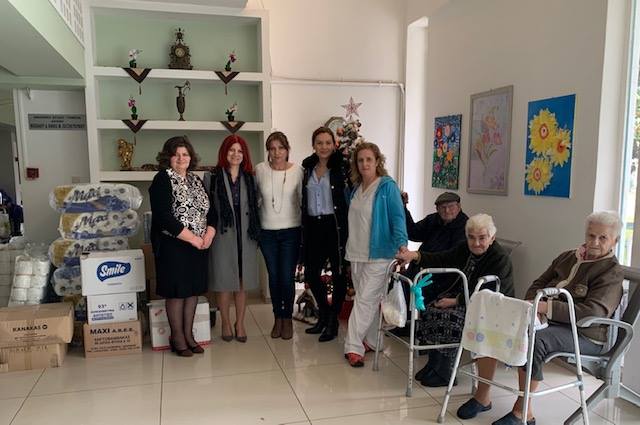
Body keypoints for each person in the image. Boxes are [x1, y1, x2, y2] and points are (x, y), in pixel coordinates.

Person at [455, 211, 624, 425]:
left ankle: (523, 412)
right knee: (494, 322)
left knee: (533, 338)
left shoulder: (611, 272)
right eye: (591, 235)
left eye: (603, 238)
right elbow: (537, 284)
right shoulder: (568, 257)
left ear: (615, 241)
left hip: (584, 333)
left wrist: (546, 307)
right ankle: (482, 396)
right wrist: (534, 304)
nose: (594, 242)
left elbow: (594, 312)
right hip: (545, 319)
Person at [395, 213, 513, 386]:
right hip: (466, 299)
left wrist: (456, 301)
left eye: (482, 238)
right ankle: (434, 364)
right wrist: (415, 255)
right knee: (431, 309)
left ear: (492, 238)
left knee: (449, 317)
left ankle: (445, 371)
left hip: (488, 308)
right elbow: (443, 258)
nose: (476, 243)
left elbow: (489, 293)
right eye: (471, 237)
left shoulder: (499, 258)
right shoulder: (465, 248)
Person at [149, 136, 215, 357]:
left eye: (185, 154)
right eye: (176, 155)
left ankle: (189, 335)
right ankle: (177, 338)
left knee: (192, 291)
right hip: (173, 246)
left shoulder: (196, 180)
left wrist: (209, 233)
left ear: (191, 157)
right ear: (168, 157)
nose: (181, 158)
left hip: (198, 247)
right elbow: (163, 217)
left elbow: (211, 211)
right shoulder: (162, 179)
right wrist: (193, 238)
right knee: (177, 292)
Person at [343, 142, 407, 367]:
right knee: (367, 300)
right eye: (360, 160)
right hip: (356, 252)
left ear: (377, 161)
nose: (364, 164)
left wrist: (402, 246)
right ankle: (373, 340)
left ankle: (353, 346)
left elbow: (398, 217)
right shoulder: (355, 189)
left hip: (380, 254)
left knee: (364, 300)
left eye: (369, 159)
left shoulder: (387, 187)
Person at [206, 135, 260, 343]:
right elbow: (208, 209)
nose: (236, 154)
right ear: (224, 152)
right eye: (231, 150)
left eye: (240, 151)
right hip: (222, 235)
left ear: (244, 154)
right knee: (224, 281)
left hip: (246, 235)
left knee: (242, 281)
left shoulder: (251, 178)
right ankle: (226, 323)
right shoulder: (212, 177)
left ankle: (240, 323)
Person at [301, 127, 350, 342]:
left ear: (334, 144)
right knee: (312, 274)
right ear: (313, 145)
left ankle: (332, 321)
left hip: (335, 226)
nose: (324, 147)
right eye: (319, 143)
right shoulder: (307, 168)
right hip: (313, 226)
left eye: (328, 142)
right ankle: (324, 313)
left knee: (339, 275)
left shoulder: (342, 167)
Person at [255, 131, 304, 340]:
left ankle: (287, 318)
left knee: (286, 277)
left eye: (281, 148)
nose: (276, 153)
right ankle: (278, 317)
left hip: (291, 231)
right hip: (267, 233)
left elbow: (303, 201)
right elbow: (255, 199)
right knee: (274, 278)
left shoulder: (298, 171)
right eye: (272, 149)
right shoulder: (260, 170)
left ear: (287, 149)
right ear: (268, 151)